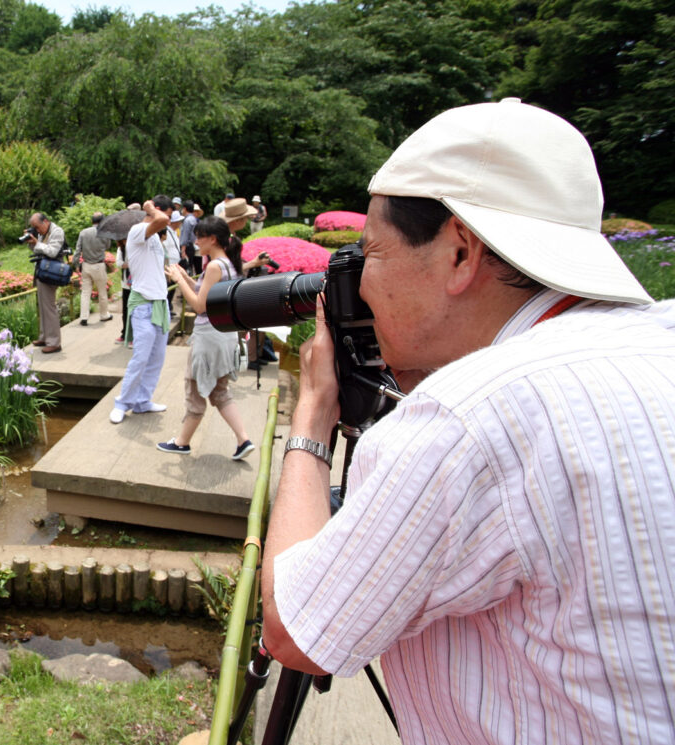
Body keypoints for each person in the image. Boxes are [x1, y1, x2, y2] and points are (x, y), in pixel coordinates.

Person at [260, 99, 675, 744]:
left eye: (370, 253)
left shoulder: (467, 418)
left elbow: (296, 630)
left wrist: (313, 410)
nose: (360, 287)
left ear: (460, 252)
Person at [159, 215, 255, 459]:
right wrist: (187, 277)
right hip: (223, 336)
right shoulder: (227, 264)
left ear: (212, 239)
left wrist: (180, 281)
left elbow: (201, 306)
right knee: (220, 392)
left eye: (200, 237)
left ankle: (182, 442)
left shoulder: (213, 266)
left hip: (209, 338)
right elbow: (207, 292)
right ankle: (243, 440)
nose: (195, 241)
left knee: (194, 387)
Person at [109, 196, 176, 424]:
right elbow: (162, 220)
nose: (168, 220)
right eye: (165, 213)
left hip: (160, 302)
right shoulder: (137, 230)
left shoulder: (155, 237)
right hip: (143, 303)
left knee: (157, 357)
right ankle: (122, 403)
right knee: (140, 357)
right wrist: (148, 208)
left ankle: (142, 401)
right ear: (157, 211)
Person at [220, 197, 272, 369]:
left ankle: (249, 356)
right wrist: (253, 264)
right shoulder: (227, 240)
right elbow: (229, 269)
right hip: (228, 287)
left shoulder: (229, 237)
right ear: (239, 220)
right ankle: (245, 357)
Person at [24, 212, 66, 354]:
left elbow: (52, 252)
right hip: (42, 271)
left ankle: (54, 342)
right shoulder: (42, 233)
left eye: (37, 226)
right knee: (42, 306)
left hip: (51, 272)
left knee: (49, 307)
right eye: (33, 227)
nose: (36, 229)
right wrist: (32, 242)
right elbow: (38, 251)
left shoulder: (57, 231)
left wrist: (37, 243)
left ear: (45, 221)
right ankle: (44, 336)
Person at [75, 212, 114, 326]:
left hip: (86, 265)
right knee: (102, 292)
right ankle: (104, 315)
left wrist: (76, 264)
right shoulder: (104, 233)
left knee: (85, 292)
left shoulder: (83, 232)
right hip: (99, 265)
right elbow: (107, 246)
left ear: (92, 221)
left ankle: (84, 317)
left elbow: (77, 250)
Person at [180, 202, 200, 274]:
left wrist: (183, 250)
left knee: (186, 267)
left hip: (187, 247)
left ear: (185, 209)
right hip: (192, 246)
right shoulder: (193, 219)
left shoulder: (187, 220)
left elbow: (185, 235)